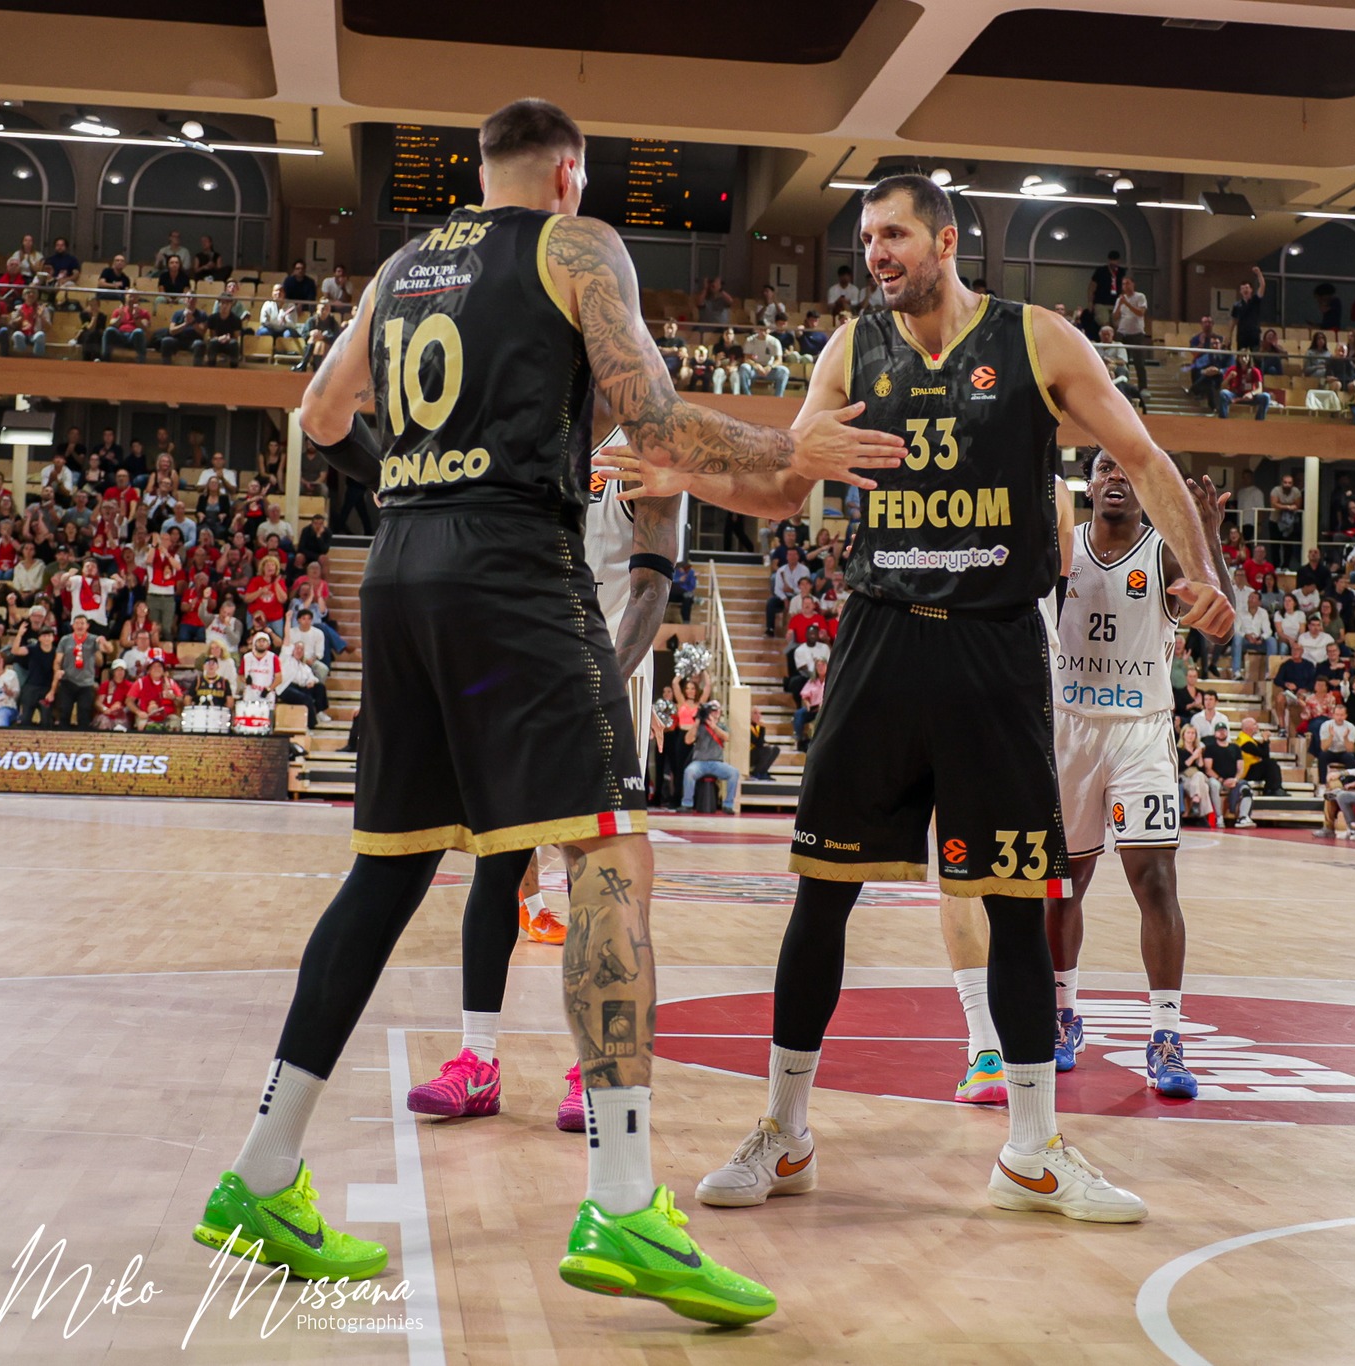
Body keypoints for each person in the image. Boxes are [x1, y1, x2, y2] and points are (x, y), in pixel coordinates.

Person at [189, 98, 900, 1323]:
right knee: (611, 854)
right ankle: (624, 1199)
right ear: (568, 173)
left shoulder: (407, 264)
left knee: (386, 871)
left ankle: (259, 1172)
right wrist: (793, 452)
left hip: (402, 565)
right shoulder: (578, 247)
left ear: (480, 173)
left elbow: (316, 417)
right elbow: (658, 422)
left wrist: (419, 480)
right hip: (510, 570)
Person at [693, 173, 1231, 1227]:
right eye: (865, 238)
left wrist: (1200, 567)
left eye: (892, 233)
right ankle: (783, 1130)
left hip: (994, 648)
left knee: (1016, 901)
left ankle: (1032, 1151)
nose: (874, 252)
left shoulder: (1036, 341)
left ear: (945, 240)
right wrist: (686, 466)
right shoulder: (849, 351)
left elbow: (1142, 456)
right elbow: (777, 484)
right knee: (821, 894)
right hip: (879, 638)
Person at [1043, 447, 1233, 1098]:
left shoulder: (1162, 552)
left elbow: (1220, 621)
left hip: (1142, 731)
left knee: (1155, 880)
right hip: (1068, 725)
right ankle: (1062, 1014)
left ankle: (1166, 1035)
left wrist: (1206, 535)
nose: (1115, 476)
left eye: (1128, 469)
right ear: (1087, 483)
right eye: (1103, 467)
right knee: (1063, 885)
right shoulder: (1060, 544)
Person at [679, 699, 739, 812]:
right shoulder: (700, 727)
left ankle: (728, 805)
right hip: (699, 762)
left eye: (717, 711)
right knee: (689, 772)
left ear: (720, 712)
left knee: (734, 773)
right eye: (712, 710)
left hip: (717, 763)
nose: (715, 713)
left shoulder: (722, 726)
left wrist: (713, 726)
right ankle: (687, 804)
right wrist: (697, 722)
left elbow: (726, 737)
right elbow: (687, 740)